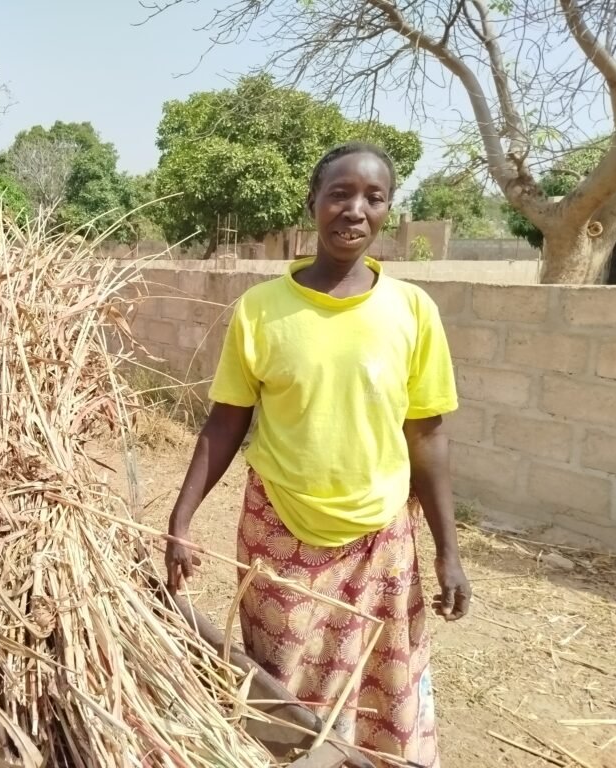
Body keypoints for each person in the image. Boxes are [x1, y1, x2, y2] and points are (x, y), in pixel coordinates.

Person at [164, 142, 471, 768]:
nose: (354, 210)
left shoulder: (412, 311)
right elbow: (226, 421)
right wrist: (182, 520)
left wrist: (448, 551)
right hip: (281, 534)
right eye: (340, 193)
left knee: (382, 684)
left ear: (387, 211)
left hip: (381, 539)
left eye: (373, 197)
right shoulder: (262, 311)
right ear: (313, 204)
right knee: (283, 691)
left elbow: (428, 436)